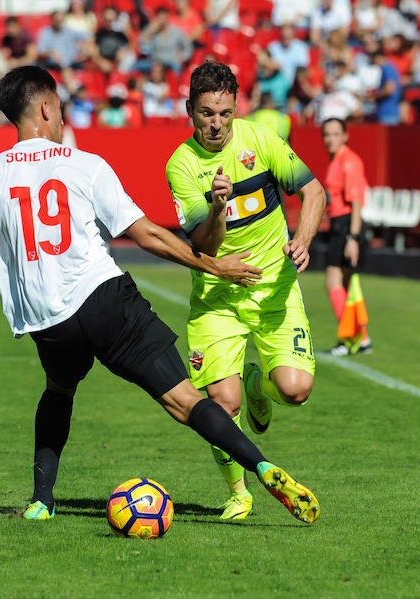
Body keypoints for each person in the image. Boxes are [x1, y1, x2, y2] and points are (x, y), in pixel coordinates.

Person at [0, 65, 320, 525]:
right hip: (105, 302)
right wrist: (214, 265)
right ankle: (262, 468)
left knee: (59, 390)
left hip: (49, 321)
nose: (63, 116)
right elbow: (147, 236)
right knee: (185, 401)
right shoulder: (85, 165)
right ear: (45, 108)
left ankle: (42, 501)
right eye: (60, 106)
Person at [165, 61, 326, 520]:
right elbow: (203, 245)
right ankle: (238, 493)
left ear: (236, 108)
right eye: (206, 113)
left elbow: (313, 192)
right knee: (222, 402)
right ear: (190, 110)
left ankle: (259, 382)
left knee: (295, 391)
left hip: (274, 288)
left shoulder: (261, 140)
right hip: (218, 295)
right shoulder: (182, 166)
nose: (216, 124)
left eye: (225, 112)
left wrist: (303, 240)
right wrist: (217, 206)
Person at [320, 118, 372, 356]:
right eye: (326, 134)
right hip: (340, 225)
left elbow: (356, 203)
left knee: (334, 282)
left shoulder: (349, 161)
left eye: (335, 134)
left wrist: (352, 237)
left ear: (345, 135)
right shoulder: (337, 161)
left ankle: (352, 336)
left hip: (346, 226)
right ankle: (361, 338)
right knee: (346, 285)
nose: (330, 139)